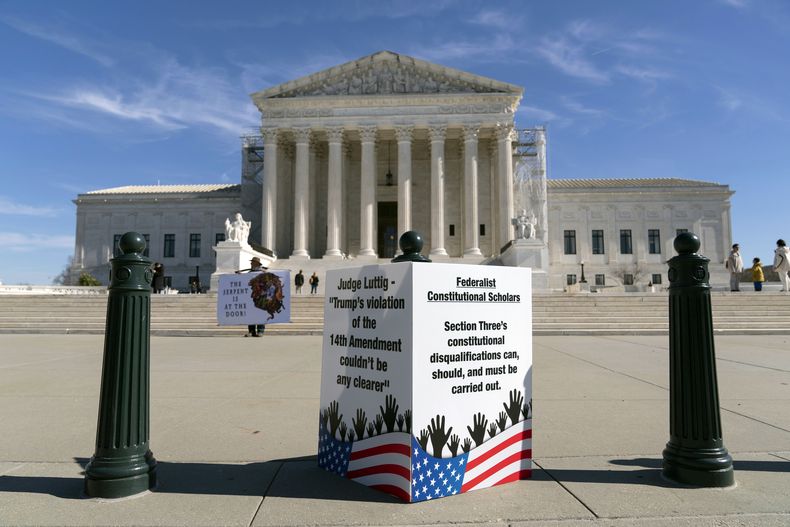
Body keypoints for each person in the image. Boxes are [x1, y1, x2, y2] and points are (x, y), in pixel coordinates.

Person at [236, 256, 266, 337]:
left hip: (260, 296)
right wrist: (240, 275)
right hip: (251, 297)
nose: (251, 263)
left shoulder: (262, 273)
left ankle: (260, 331)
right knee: (250, 314)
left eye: (252, 262)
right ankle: (252, 331)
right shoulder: (250, 273)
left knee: (260, 314)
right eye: (251, 262)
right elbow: (246, 281)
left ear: (256, 264)